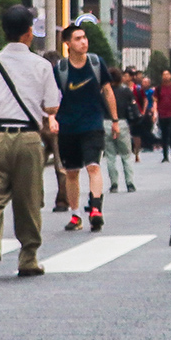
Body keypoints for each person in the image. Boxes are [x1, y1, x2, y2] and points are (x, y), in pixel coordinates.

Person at [0, 3, 60, 280]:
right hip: (28, 138)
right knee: (28, 200)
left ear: (4, 31)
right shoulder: (42, 66)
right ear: (29, 33)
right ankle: (28, 258)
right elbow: (51, 107)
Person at [52, 24, 120, 233]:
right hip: (68, 127)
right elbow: (52, 99)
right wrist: (51, 118)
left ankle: (96, 208)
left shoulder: (96, 63)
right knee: (71, 173)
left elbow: (107, 91)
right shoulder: (60, 70)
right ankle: (76, 215)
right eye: (78, 39)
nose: (83, 42)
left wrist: (115, 119)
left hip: (92, 124)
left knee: (93, 166)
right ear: (68, 44)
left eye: (84, 38)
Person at [101, 66, 137, 195]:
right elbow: (133, 109)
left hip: (105, 122)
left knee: (110, 155)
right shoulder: (126, 91)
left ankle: (114, 184)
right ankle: (130, 183)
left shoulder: (103, 92)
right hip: (121, 122)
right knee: (126, 155)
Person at [153, 67, 171, 162]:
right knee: (164, 135)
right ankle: (165, 155)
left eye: (167, 74)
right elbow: (155, 101)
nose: (166, 76)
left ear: (170, 76)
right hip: (162, 114)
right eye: (164, 74)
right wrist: (155, 113)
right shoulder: (158, 88)